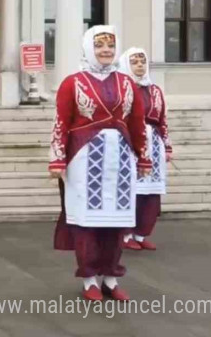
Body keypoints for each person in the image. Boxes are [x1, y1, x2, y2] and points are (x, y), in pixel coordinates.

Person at [50, 25, 151, 302]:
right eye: (99, 45)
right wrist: (57, 158)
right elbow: (61, 121)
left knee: (117, 221)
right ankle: (89, 279)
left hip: (120, 159)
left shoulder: (127, 83)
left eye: (110, 45)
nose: (105, 50)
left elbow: (137, 122)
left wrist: (144, 156)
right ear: (88, 49)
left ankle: (111, 277)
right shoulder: (73, 82)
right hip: (84, 159)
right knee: (87, 222)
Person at [118, 48, 171, 251]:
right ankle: (125, 235)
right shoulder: (123, 89)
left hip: (154, 143)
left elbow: (162, 119)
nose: (140, 65)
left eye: (142, 61)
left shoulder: (155, 90)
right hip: (132, 143)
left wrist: (167, 146)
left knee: (152, 192)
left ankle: (141, 234)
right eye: (134, 62)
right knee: (132, 191)